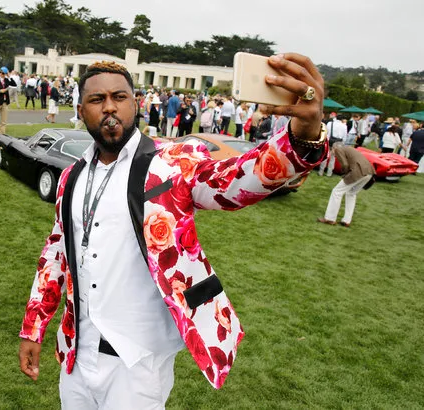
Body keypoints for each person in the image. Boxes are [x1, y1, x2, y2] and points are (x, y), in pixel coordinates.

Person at [18, 56, 327, 407]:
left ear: (135, 104)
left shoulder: (172, 162)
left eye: (119, 97)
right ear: (80, 108)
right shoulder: (71, 177)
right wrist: (33, 328)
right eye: (96, 99)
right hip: (75, 354)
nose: (109, 107)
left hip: (139, 364)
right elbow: (56, 254)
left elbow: (240, 179)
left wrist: (304, 136)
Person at [318, 143, 374, 228]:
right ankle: (346, 220)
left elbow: (344, 164)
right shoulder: (349, 149)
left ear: (334, 148)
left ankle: (330, 218)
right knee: (351, 193)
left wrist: (344, 175)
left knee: (337, 192)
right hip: (369, 172)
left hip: (358, 172)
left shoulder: (338, 150)